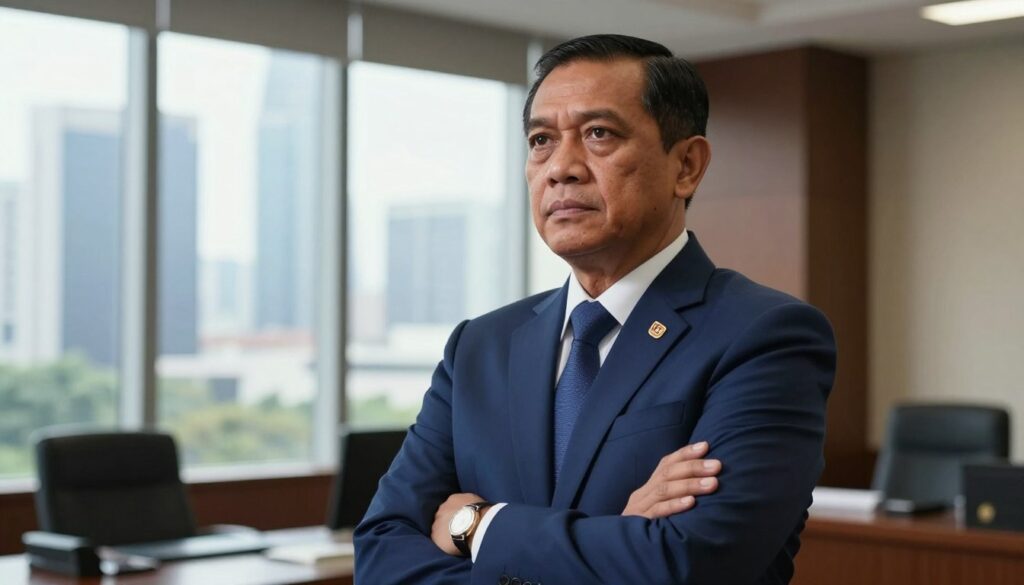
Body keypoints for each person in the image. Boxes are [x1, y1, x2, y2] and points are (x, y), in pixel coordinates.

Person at [354, 34, 836, 585]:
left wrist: (479, 526)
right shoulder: (480, 346)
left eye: (598, 134)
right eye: (540, 140)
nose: (561, 167)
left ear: (687, 165)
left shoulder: (765, 335)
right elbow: (380, 555)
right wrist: (618, 538)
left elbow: (691, 563)